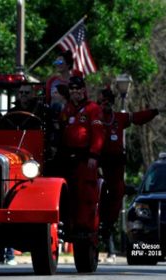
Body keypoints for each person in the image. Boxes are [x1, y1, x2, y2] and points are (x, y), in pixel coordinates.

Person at [97, 86, 166, 263]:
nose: (105, 104)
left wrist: (155, 111)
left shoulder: (119, 119)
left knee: (117, 191)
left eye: (108, 101)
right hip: (94, 165)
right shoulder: (91, 118)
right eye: (101, 101)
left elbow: (137, 118)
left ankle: (107, 225)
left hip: (115, 168)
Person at [58, 70, 105, 239]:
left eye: (78, 89)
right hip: (68, 158)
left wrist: (94, 155)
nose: (75, 92)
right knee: (68, 193)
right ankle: (69, 226)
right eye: (72, 90)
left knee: (86, 194)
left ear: (84, 90)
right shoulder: (67, 108)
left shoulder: (93, 109)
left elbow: (98, 134)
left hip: (85, 158)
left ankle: (85, 228)